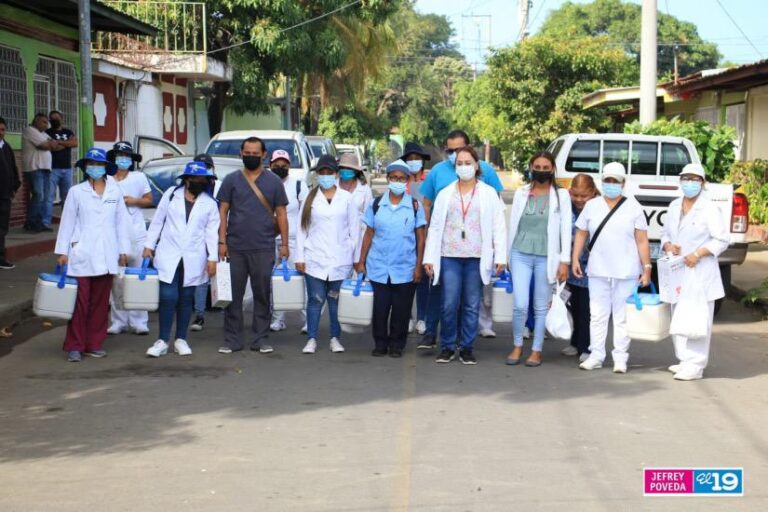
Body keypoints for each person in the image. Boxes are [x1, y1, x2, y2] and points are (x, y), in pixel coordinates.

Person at [418, 130, 504, 348]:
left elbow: (498, 224)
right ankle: (447, 345)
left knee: (471, 305)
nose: (463, 166)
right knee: (448, 303)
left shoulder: (487, 192)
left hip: (476, 256)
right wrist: (429, 257)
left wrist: (500, 255)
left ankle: (466, 347)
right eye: (459, 162)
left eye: (467, 162)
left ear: (476, 165)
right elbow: (435, 227)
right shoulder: (446, 193)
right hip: (449, 256)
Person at [572, 162, 652, 374]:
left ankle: (620, 357)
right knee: (597, 314)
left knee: (621, 316)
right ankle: (596, 355)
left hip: (626, 271)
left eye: (615, 181)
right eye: (607, 180)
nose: (611, 185)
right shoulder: (592, 206)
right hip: (598, 269)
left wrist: (647, 267)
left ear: (623, 183)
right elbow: (581, 232)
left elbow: (642, 239)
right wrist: (575, 259)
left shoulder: (634, 207)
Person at [54, 148, 130, 362]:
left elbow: (121, 223)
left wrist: (124, 250)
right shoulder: (76, 192)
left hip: (107, 253)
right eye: (91, 164)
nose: (95, 168)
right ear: (85, 167)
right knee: (79, 302)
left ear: (106, 167)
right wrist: (62, 252)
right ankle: (75, 345)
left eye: (99, 164)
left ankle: (94, 343)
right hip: (81, 253)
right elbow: (67, 222)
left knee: (100, 303)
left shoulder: (114, 192)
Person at [217, 137, 289, 354]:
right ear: (241, 153)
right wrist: (222, 241)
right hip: (235, 247)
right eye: (247, 152)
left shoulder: (274, 182)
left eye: (255, 153)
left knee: (262, 295)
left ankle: (260, 339)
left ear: (264, 155)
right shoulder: (231, 180)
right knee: (233, 296)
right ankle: (232, 340)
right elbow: (222, 212)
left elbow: (282, 214)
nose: (251, 156)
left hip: (264, 246)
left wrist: (284, 244)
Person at [143, 162, 220, 357]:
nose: (201, 183)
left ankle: (181, 339)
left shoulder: (210, 203)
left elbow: (211, 233)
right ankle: (162, 340)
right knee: (168, 297)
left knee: (186, 299)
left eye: (204, 180)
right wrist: (149, 245)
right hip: (169, 254)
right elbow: (158, 220)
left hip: (194, 256)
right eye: (196, 179)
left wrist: (213, 258)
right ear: (187, 180)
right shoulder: (171, 194)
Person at [661, 163, 729, 381]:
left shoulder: (709, 208)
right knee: (678, 313)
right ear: (680, 181)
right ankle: (683, 359)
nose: (689, 183)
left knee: (698, 318)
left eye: (694, 179)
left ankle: (696, 365)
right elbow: (665, 233)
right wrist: (668, 245)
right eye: (686, 178)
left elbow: (721, 239)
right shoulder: (673, 206)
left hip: (700, 270)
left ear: (702, 183)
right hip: (678, 268)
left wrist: (698, 253)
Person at [505, 151, 572, 367]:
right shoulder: (521, 193)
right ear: (531, 167)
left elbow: (565, 230)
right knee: (520, 305)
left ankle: (536, 350)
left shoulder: (561, 196)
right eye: (537, 167)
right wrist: (505, 255)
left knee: (541, 305)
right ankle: (517, 345)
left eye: (546, 168)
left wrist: (565, 261)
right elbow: (513, 223)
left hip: (547, 256)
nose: (541, 171)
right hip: (520, 252)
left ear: (552, 169)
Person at [356, 159, 427, 357]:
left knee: (401, 311)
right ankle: (380, 343)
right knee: (380, 309)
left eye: (401, 178)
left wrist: (418, 266)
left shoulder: (414, 206)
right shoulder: (376, 204)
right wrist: (361, 261)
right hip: (378, 266)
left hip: (405, 267)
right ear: (388, 179)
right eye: (394, 178)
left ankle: (397, 345)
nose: (397, 181)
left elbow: (421, 238)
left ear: (407, 181)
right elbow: (368, 234)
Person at [295, 155, 360, 354]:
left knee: (335, 301)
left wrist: (356, 259)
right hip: (314, 258)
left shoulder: (347, 198)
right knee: (315, 300)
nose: (325, 176)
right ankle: (312, 338)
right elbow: (301, 229)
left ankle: (335, 338)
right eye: (321, 173)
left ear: (336, 174)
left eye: (329, 172)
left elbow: (355, 230)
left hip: (341, 260)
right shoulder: (310, 198)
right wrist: (300, 257)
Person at [106, 141, 152, 336]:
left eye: (125, 156)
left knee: (137, 277)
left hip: (137, 233)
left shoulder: (139, 177)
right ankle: (118, 320)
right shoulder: (107, 180)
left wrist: (132, 201)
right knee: (118, 280)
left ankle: (139, 320)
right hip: (114, 235)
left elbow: (150, 200)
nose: (122, 159)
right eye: (119, 155)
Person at [269, 149, 309, 332]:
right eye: (276, 165)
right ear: (270, 165)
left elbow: (307, 215)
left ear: (289, 166)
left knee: (298, 280)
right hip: (268, 239)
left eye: (283, 165)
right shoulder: (264, 185)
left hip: (293, 240)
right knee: (272, 283)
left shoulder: (299, 186)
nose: (280, 168)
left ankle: (309, 319)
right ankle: (277, 318)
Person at [562, 174, 600, 362]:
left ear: (592, 193)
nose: (578, 200)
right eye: (575, 195)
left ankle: (587, 346)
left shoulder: (599, 208)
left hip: (592, 267)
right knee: (573, 305)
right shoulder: (566, 208)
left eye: (583, 196)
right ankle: (575, 342)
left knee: (587, 309)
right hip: (570, 266)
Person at [400, 142, 431, 335]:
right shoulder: (401, 182)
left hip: (426, 233)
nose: (413, 162)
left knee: (423, 279)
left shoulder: (430, 180)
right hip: (404, 235)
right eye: (409, 159)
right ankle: (408, 318)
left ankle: (422, 317)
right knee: (406, 278)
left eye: (416, 159)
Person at [190, 153, 218, 332]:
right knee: (197, 277)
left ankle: (218, 306)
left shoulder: (219, 187)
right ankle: (198, 313)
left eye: (206, 166)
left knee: (212, 276)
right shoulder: (186, 190)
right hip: (194, 239)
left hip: (217, 236)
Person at [22, 113, 61, 232]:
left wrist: (51, 144)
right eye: (44, 122)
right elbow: (44, 145)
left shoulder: (43, 134)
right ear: (36, 121)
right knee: (38, 195)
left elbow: (56, 146)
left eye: (47, 122)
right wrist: (51, 144)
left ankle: (38, 222)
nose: (47, 124)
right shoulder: (30, 130)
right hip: (35, 168)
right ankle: (31, 222)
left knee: (43, 197)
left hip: (45, 169)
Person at [45, 110, 78, 228]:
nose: (54, 120)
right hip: (53, 169)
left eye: (56, 118)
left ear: (61, 119)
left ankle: (67, 222)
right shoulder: (47, 132)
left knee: (67, 197)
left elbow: (75, 143)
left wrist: (59, 142)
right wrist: (66, 143)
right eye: (52, 118)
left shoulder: (68, 131)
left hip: (67, 169)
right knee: (49, 197)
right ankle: (46, 222)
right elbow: (53, 148)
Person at [338, 152, 373, 251]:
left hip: (359, 237)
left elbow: (369, 218)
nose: (346, 171)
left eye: (349, 169)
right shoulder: (333, 186)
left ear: (355, 171)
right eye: (343, 168)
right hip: (336, 237)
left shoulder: (365, 189)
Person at [0, 117, 22, 270]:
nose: (1, 132)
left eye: (2, 129)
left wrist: (14, 186)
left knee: (2, 227)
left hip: (4, 195)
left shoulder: (6, 147)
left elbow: (13, 168)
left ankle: (0, 257)